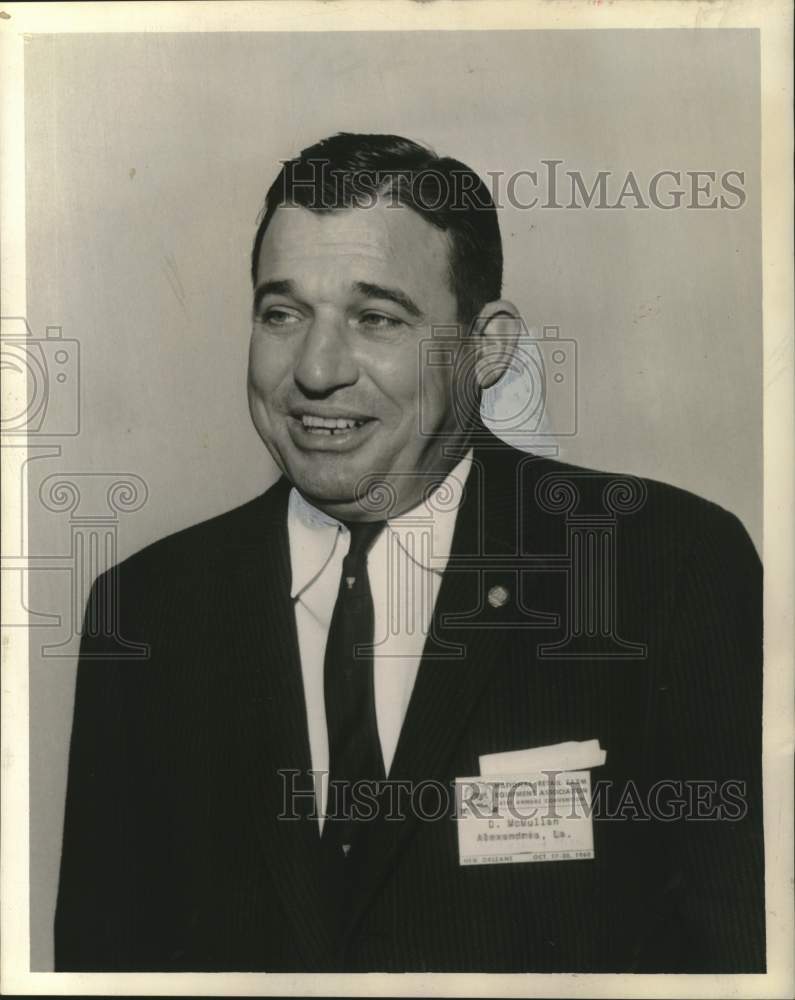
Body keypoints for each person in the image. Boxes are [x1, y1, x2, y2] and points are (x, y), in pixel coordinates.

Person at [55, 133, 764, 973]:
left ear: (487, 344)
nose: (314, 371)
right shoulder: (146, 609)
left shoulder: (665, 568)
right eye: (282, 313)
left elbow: (737, 954)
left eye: (375, 318)